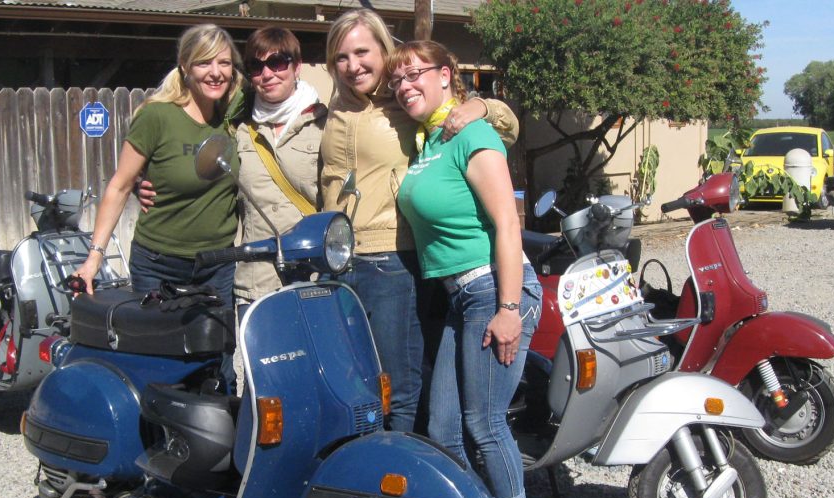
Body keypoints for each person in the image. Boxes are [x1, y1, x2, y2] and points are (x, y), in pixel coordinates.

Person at [319, 9, 518, 433]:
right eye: (341, 57)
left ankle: (403, 483)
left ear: (383, 51)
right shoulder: (333, 110)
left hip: (391, 257)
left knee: (401, 384)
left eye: (362, 52)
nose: (353, 65)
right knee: (355, 381)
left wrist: (480, 104)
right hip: (338, 262)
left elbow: (505, 124)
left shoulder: (404, 101)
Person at [388, 40, 542, 498]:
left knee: (484, 420)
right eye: (398, 78)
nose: (406, 84)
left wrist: (507, 306)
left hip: (493, 290)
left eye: (416, 74)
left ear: (447, 75)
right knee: (444, 423)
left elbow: (507, 222)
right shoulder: (430, 140)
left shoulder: (472, 136)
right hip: (459, 296)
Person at [71, 23, 244, 390]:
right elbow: (119, 184)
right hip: (160, 262)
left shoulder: (233, 115)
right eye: (204, 63)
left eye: (225, 63)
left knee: (220, 365)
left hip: (218, 265)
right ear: (185, 67)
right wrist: (94, 258)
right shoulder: (157, 116)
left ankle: (224, 441)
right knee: (160, 366)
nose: (216, 72)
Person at [233, 28, 325, 310]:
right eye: (256, 66)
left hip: (314, 278)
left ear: (297, 67)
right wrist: (143, 178)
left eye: (277, 62)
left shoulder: (326, 125)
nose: (267, 73)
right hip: (255, 285)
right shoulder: (239, 130)